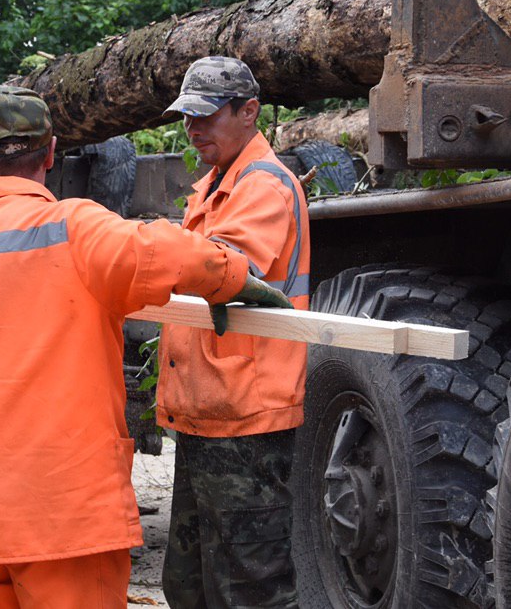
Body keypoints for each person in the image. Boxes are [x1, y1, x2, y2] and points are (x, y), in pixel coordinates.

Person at [0, 85, 286, 609]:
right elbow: (164, 250)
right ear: (52, 152)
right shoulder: (75, 229)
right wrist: (233, 277)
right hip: (64, 516)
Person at [158, 56, 311, 609]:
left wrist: (138, 248)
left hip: (247, 419)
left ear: (249, 112)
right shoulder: (217, 185)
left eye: (205, 116)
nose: (193, 129)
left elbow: (224, 266)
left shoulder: (263, 185)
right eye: (187, 117)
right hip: (209, 412)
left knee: (250, 591)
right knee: (191, 585)